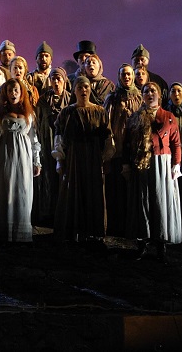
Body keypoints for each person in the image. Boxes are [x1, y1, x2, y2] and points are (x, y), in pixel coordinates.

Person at [124, 82, 182, 263]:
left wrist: (176, 164)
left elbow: (176, 143)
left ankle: (160, 245)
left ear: (159, 95)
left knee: (160, 201)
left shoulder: (168, 117)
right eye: (146, 91)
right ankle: (142, 243)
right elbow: (127, 143)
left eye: (153, 91)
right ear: (142, 96)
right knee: (142, 201)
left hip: (161, 163)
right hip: (141, 163)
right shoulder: (135, 118)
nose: (150, 94)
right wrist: (126, 165)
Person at [53, 76, 114, 245]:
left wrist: (106, 158)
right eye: (79, 87)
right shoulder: (67, 112)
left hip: (93, 157)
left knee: (93, 192)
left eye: (86, 87)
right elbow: (59, 136)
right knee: (74, 191)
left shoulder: (100, 111)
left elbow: (108, 137)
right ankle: (74, 230)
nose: (83, 90)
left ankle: (93, 232)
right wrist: (60, 159)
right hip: (74, 157)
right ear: (74, 90)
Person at [0, 79, 41, 243]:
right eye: (10, 91)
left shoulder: (29, 114)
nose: (13, 93)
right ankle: (3, 233)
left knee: (22, 191)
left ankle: (20, 234)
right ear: (6, 93)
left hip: (23, 157)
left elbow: (34, 139)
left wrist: (36, 161)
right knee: (5, 190)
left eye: (16, 90)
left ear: (21, 92)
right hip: (5, 155)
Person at [102, 63, 142, 238]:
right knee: (116, 190)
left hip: (134, 151)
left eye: (129, 74)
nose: (126, 77)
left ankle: (132, 226)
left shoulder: (139, 97)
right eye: (123, 74)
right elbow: (107, 123)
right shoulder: (112, 98)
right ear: (119, 77)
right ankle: (115, 226)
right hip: (117, 151)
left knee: (132, 191)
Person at [33, 68, 71, 226]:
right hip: (47, 141)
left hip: (65, 143)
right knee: (48, 177)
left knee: (64, 176)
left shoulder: (70, 99)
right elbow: (38, 120)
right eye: (53, 79)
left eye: (59, 79)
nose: (56, 82)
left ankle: (64, 213)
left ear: (64, 80)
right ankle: (48, 212)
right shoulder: (43, 100)